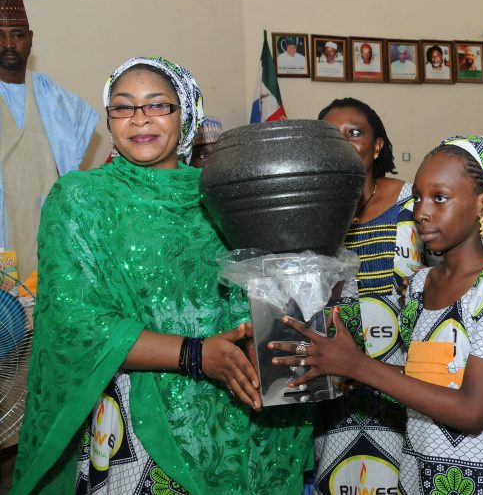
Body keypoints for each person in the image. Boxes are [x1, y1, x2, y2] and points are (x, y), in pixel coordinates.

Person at [11, 56, 313, 494]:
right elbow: (73, 322)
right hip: (136, 417)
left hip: (231, 416)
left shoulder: (220, 195)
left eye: (157, 105)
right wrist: (195, 355)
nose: (139, 118)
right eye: (123, 106)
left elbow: (256, 289)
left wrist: (265, 331)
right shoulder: (81, 198)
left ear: (186, 114)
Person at [270, 135, 483, 494]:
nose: (422, 212)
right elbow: (426, 379)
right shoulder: (420, 284)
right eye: (418, 197)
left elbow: (472, 410)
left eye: (439, 198)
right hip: (419, 474)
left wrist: (359, 367)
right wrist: (349, 370)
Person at [310, 97, 430, 494]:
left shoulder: (413, 201)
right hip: (335, 373)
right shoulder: (309, 210)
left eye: (355, 133)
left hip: (404, 371)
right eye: (332, 135)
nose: (343, 141)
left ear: (377, 146)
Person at [0, 0, 98, 281]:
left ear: (30, 39)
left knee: (43, 297)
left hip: (45, 227)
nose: (8, 44)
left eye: (17, 35)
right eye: (0, 35)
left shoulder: (55, 98)